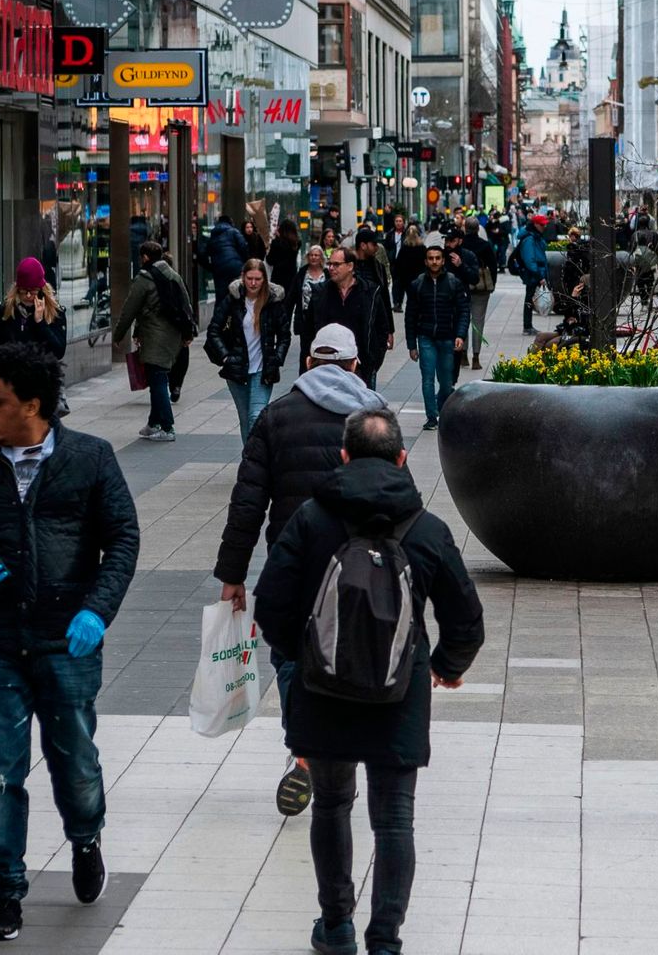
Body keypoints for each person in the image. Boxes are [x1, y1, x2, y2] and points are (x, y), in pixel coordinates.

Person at [253, 409, 485, 955]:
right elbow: (466, 622)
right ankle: (385, 940)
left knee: (332, 806)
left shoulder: (311, 520)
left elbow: (272, 603)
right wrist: (445, 667)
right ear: (402, 460)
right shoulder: (426, 530)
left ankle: (336, 928)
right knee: (394, 819)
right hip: (399, 695)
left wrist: (301, 656)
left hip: (322, 691)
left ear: (343, 457)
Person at [0, 343, 138, 941]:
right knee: (0, 772)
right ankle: (6, 892)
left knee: (75, 763)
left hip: (65, 643)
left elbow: (122, 539)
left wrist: (96, 612)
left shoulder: (91, 459)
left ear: (33, 404)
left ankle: (85, 836)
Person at [214, 324, 388, 818]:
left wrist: (233, 574)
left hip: (292, 566)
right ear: (356, 365)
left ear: (309, 362)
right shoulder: (374, 417)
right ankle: (338, 755)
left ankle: (305, 749)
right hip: (358, 568)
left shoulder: (276, 416)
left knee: (291, 659)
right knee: (350, 658)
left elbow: (247, 503)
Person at [112, 242, 195, 442]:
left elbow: (129, 309)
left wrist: (118, 334)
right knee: (156, 376)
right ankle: (153, 423)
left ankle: (167, 427)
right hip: (173, 335)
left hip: (155, 336)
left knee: (157, 378)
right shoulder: (173, 275)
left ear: (145, 257)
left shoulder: (144, 279)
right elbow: (186, 304)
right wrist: (188, 332)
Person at [208, 260, 290, 442]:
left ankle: (255, 462)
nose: (253, 283)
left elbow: (284, 335)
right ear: (243, 278)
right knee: (245, 419)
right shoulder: (233, 300)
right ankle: (250, 461)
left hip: (263, 370)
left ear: (264, 280)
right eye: (249, 278)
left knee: (256, 416)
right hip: (237, 369)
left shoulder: (273, 302)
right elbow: (214, 330)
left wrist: (277, 358)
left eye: (258, 279)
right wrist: (225, 357)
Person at [298, 246, 392, 388]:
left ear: (350, 266)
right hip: (325, 366)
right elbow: (308, 332)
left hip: (360, 367)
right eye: (330, 264)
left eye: (336, 264)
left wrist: (373, 360)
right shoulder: (320, 293)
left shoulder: (369, 292)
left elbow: (381, 328)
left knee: (361, 408)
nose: (331, 268)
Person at [405, 238, 470, 431]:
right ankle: (432, 416)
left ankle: (443, 409)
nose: (434, 261)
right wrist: (411, 344)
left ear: (443, 261)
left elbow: (464, 310)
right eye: (430, 258)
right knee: (427, 379)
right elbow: (410, 315)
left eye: (437, 258)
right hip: (425, 337)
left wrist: (460, 334)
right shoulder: (418, 284)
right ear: (426, 261)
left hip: (447, 337)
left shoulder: (452, 282)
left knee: (446, 381)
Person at [0, 257, 68, 359]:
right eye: (24, 291)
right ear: (17, 289)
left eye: (33, 290)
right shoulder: (5, 311)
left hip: (42, 371)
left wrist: (40, 323)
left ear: (41, 290)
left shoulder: (55, 312)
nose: (29, 295)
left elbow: (59, 352)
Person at [452, 225, 497, 369]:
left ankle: (463, 354)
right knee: (478, 321)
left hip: (464, 286)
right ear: (478, 229)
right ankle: (476, 357)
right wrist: (493, 284)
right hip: (481, 288)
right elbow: (493, 265)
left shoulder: (461, 246)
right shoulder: (484, 245)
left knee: (463, 318)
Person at [509, 214, 551, 333]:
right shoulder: (530, 239)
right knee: (529, 298)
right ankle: (527, 326)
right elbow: (530, 260)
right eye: (542, 224)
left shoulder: (535, 237)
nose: (544, 226)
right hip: (533, 273)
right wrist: (539, 276)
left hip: (535, 272)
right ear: (536, 225)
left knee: (530, 298)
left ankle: (528, 326)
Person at [204, 214, 248, 295]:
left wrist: (210, 266)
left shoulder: (213, 235)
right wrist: (244, 263)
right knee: (237, 293)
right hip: (235, 266)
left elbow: (204, 252)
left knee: (221, 295)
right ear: (230, 222)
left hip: (219, 268)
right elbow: (244, 247)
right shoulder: (234, 231)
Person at [268, 219, 303, 300]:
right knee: (289, 301)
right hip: (291, 276)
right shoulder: (297, 243)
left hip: (278, 277)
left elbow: (270, 260)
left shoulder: (276, 243)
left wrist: (276, 238)